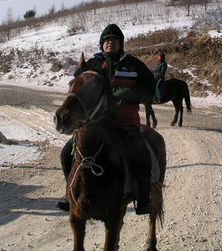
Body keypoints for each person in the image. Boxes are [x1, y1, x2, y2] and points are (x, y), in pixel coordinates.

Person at [57, 23, 155, 215]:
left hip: (124, 122)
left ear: (121, 44)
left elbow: (149, 90)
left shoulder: (134, 65)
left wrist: (127, 94)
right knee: (66, 154)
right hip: (94, 124)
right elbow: (78, 85)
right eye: (107, 41)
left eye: (115, 40)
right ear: (102, 44)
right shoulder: (92, 64)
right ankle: (71, 195)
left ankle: (143, 198)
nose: (110, 44)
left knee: (140, 154)